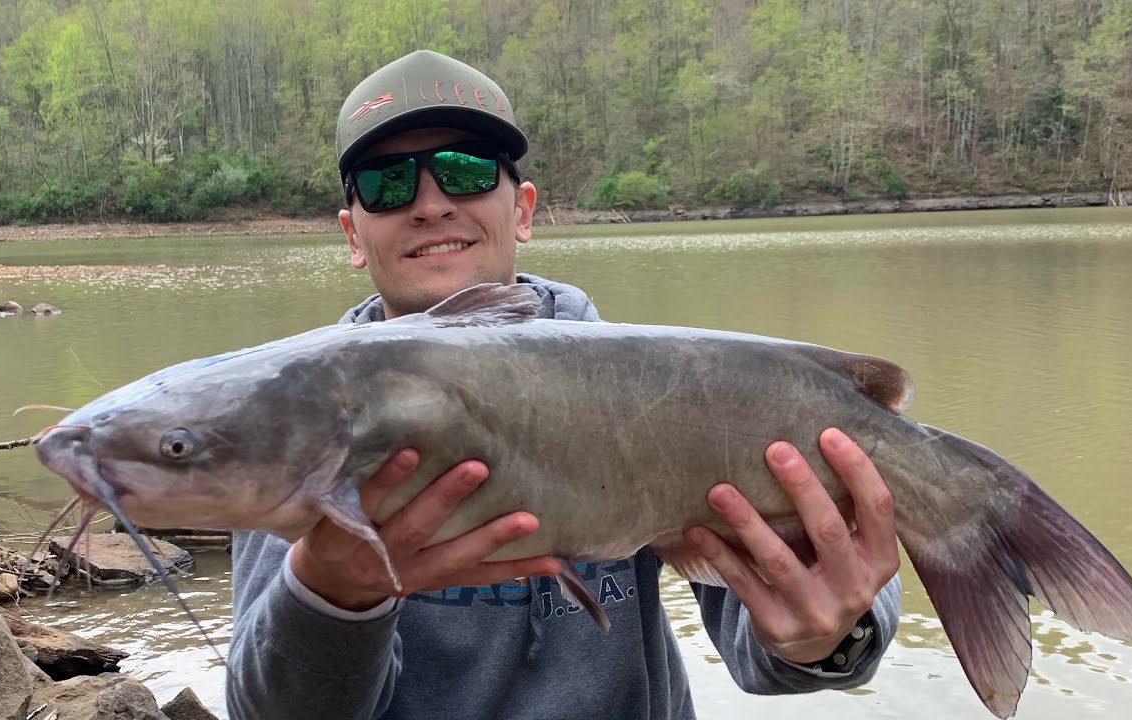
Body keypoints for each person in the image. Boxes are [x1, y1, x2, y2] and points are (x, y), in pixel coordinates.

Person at [227, 50, 902, 720]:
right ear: (353, 234)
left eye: (466, 169)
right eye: (387, 183)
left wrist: (831, 636)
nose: (431, 204)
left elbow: (772, 654)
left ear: (522, 210)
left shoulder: (650, 386)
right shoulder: (304, 417)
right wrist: (332, 593)